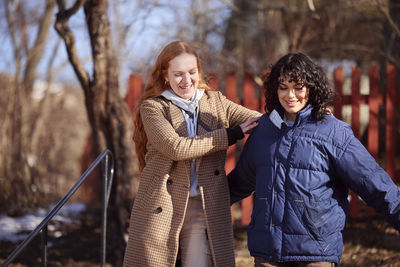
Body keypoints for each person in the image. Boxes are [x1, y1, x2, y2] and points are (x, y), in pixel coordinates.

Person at [228, 52, 400, 267]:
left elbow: (373, 183)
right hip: (268, 253)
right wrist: (194, 205)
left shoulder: (333, 132)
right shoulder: (263, 130)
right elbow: (238, 183)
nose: (290, 95)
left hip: (315, 253)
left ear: (311, 88)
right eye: (283, 87)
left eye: (298, 87)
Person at [123, 41, 261, 267]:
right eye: (178, 74)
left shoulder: (215, 102)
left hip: (201, 207)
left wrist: (309, 115)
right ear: (165, 76)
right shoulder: (153, 107)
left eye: (191, 72)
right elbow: (175, 147)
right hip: (161, 206)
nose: (186, 80)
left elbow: (260, 121)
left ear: (199, 71)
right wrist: (229, 135)